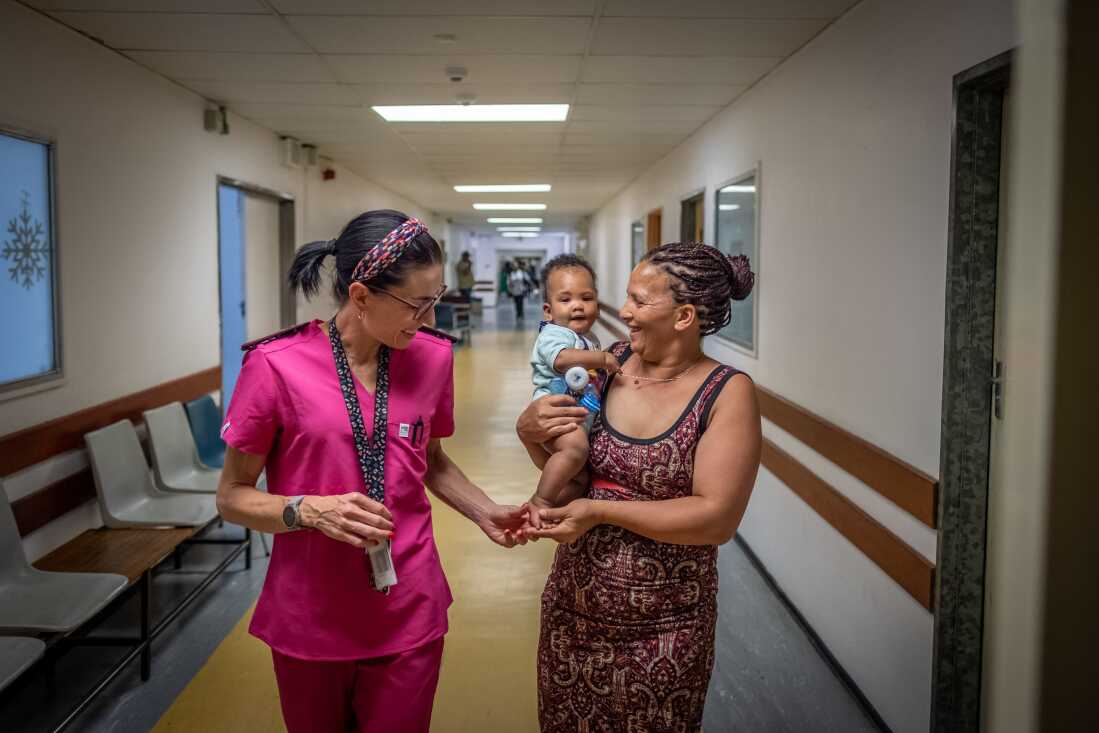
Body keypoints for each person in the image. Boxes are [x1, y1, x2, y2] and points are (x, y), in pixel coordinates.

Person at [215, 210, 529, 733]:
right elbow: (231, 497)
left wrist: (485, 511)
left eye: (437, 298)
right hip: (311, 611)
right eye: (416, 303)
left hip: (409, 605)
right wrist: (306, 509)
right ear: (360, 296)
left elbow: (428, 462)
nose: (430, 318)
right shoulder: (275, 366)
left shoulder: (432, 359)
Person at [515, 242, 762, 732]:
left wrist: (602, 512)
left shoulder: (726, 394)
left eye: (639, 300)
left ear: (684, 315)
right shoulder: (611, 366)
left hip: (665, 630)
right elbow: (574, 479)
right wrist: (529, 436)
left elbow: (716, 519)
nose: (623, 312)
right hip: (573, 609)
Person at [525, 255, 620, 529]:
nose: (577, 306)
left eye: (586, 298)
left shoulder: (588, 340)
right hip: (553, 410)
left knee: (578, 479)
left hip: (575, 412)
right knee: (575, 450)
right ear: (548, 310)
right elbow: (562, 360)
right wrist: (602, 360)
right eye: (565, 300)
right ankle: (540, 501)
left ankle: (546, 514)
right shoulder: (554, 334)